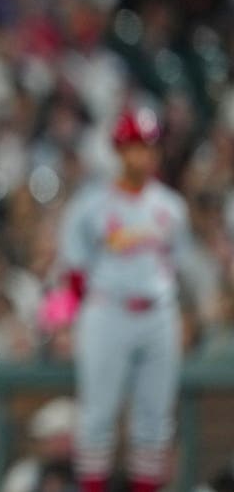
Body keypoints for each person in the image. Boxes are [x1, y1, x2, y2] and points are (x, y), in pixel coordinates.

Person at [48, 107, 218, 492]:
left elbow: (179, 267)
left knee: (155, 421)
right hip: (107, 311)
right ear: (118, 150)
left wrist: (191, 315)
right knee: (97, 418)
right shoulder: (91, 205)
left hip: (158, 314)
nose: (142, 155)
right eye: (133, 146)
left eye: (148, 146)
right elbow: (74, 270)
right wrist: (68, 320)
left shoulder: (171, 207)